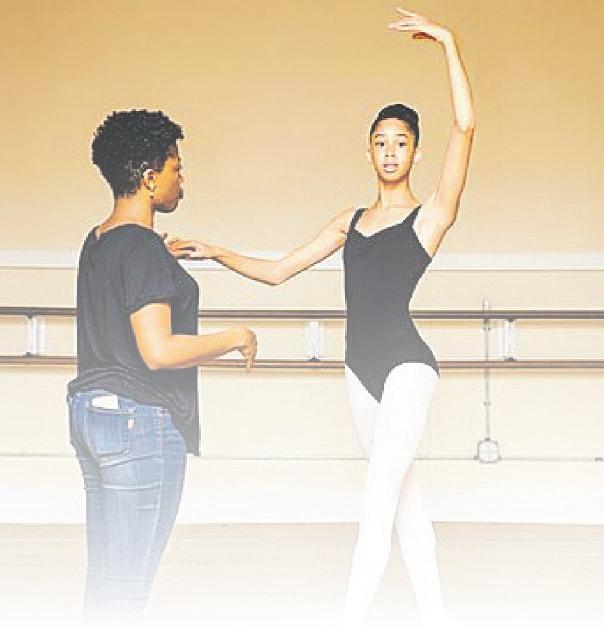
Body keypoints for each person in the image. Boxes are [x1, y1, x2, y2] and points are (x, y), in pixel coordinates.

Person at [169, 7, 474, 628]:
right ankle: (438, 616)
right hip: (358, 370)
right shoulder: (349, 221)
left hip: (409, 368)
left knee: (377, 500)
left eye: (402, 142)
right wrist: (217, 251)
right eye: (381, 142)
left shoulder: (431, 217)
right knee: (405, 501)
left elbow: (465, 126)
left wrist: (447, 41)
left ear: (417, 153)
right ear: (369, 150)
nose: (391, 151)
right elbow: (280, 270)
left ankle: (348, 617)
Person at [66, 109, 257, 625]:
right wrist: (235, 337)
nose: (182, 179)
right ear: (150, 177)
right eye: (177, 167)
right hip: (138, 421)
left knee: (105, 580)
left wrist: (158, 257)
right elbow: (158, 351)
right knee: (128, 587)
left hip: (91, 412)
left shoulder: (100, 239)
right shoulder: (140, 248)